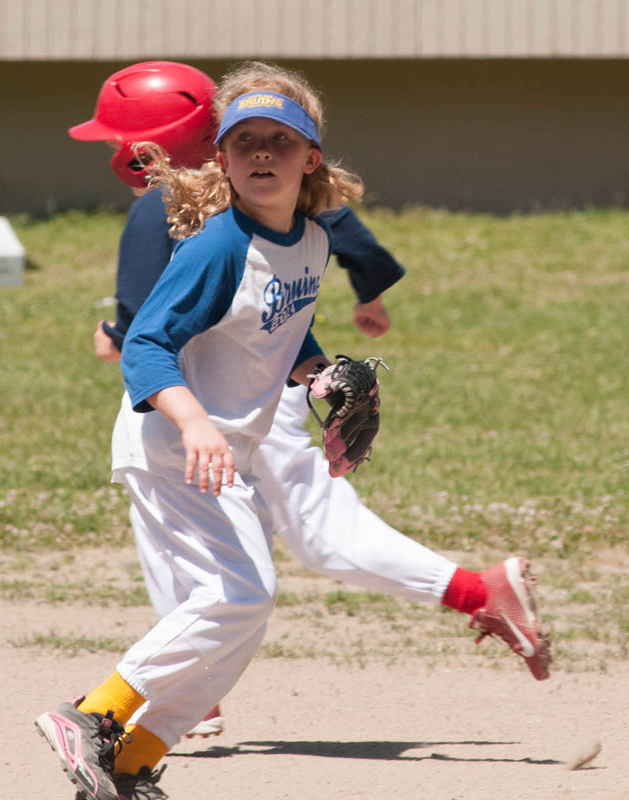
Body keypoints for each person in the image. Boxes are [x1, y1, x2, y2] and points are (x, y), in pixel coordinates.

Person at [36, 62, 551, 800]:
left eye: (281, 139)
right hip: (172, 447)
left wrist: (323, 377)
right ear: (221, 157)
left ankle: (134, 755)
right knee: (236, 598)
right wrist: (196, 426)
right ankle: (92, 717)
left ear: (312, 156)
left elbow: (279, 341)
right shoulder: (218, 245)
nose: (263, 153)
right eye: (244, 141)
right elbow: (146, 344)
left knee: (245, 611)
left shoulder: (308, 241)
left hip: (220, 451)